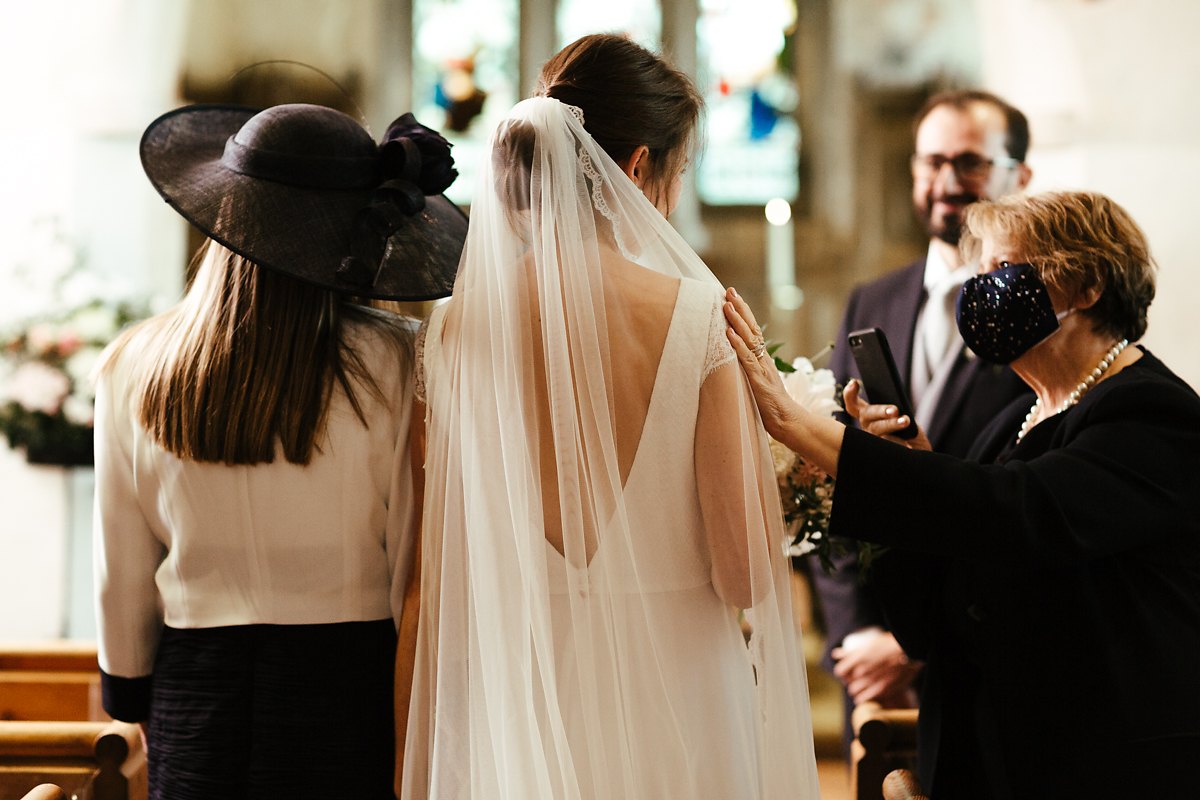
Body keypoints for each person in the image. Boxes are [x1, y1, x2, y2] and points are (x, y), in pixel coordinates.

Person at [398, 34, 820, 799]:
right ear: (636, 168)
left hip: (525, 699)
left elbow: (442, 557)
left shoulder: (456, 329)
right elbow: (744, 573)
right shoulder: (700, 321)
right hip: (681, 695)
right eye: (679, 172)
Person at [724, 190, 1200, 798]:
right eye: (979, 273)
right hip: (992, 758)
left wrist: (805, 431)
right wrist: (903, 470)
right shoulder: (1015, 421)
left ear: (1087, 287)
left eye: (1004, 270)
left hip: (1104, 763)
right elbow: (938, 609)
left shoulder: (1151, 412)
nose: (982, 291)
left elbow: (1019, 512)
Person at [93, 102, 466, 799]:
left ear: (228, 213)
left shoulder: (132, 363)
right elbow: (416, 549)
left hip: (193, 684)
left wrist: (131, 693)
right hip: (352, 682)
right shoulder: (401, 361)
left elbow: (122, 564)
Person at [817, 89, 1034, 734]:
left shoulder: (1046, 316)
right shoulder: (872, 300)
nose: (945, 181)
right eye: (930, 161)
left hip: (986, 663)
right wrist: (859, 635)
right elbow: (829, 476)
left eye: (968, 162)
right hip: (871, 667)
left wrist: (917, 645)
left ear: (1019, 176)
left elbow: (1027, 511)